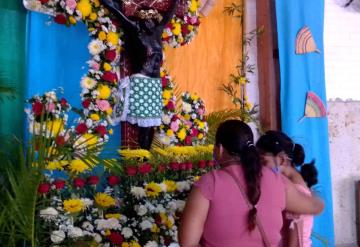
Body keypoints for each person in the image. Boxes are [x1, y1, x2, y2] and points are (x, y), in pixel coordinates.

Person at [179, 120, 324, 247]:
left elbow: (187, 243)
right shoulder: (277, 180)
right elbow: (316, 206)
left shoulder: (208, 183)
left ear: (220, 149)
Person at [101, 0, 178, 149]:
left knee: (152, 124)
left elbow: (169, 15)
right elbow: (118, 13)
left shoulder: (157, 31)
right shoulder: (136, 31)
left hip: (155, 83)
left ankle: (146, 157)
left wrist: (175, 2)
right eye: (146, 20)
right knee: (144, 125)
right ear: (140, 21)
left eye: (151, 20)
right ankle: (141, 158)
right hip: (141, 82)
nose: (150, 23)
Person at [256, 131, 319, 247]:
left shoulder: (294, 191)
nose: (260, 168)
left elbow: (294, 241)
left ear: (281, 160)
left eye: (263, 162)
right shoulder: (292, 184)